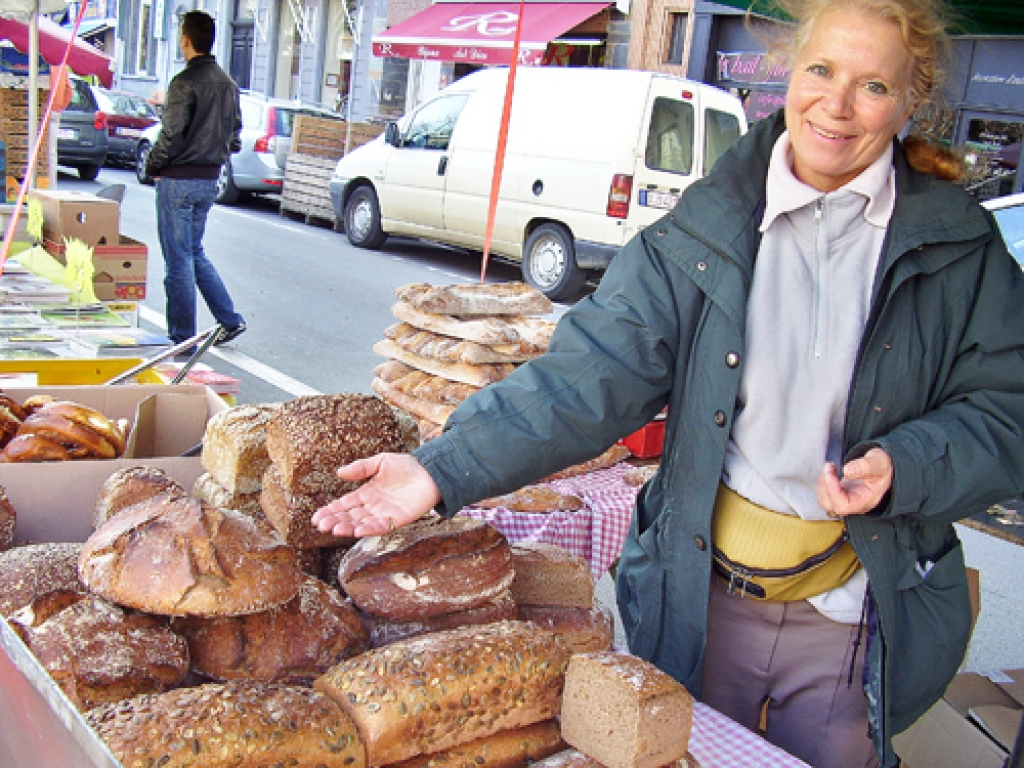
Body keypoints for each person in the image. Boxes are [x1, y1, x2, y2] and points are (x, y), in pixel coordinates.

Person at [313, 1, 1024, 766]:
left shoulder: (959, 249)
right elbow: (591, 374)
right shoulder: (705, 225)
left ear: (912, 98)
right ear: (788, 70)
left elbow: (1007, 410)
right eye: (821, 70)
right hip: (702, 603)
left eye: (874, 85)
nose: (838, 105)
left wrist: (907, 463)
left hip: (854, 615)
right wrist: (440, 466)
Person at [145, 10, 246, 351]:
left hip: (178, 178)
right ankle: (229, 319)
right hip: (208, 179)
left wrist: (152, 166)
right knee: (193, 251)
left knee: (178, 258)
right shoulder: (229, 85)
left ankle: (182, 337)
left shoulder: (184, 82)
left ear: (186, 40)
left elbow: (171, 134)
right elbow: (235, 138)